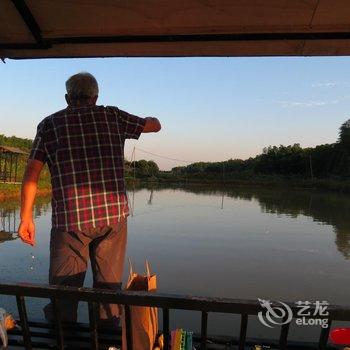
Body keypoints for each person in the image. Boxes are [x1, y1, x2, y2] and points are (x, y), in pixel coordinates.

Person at [18, 72, 161, 325]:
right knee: (108, 290)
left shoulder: (50, 124)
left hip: (70, 221)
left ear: (66, 97)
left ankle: (64, 337)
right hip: (112, 218)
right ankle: (106, 336)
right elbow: (155, 125)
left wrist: (26, 217)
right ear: (95, 97)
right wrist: (150, 119)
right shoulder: (113, 116)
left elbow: (32, 171)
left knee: (64, 291)